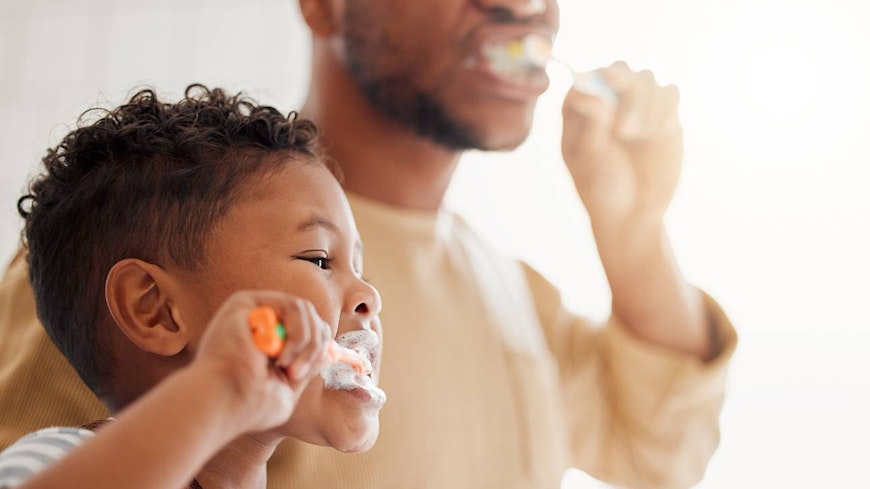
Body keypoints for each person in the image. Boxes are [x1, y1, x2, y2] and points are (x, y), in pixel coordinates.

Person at [0, 1, 739, 489]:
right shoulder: (146, 233)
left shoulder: (513, 291)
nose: (524, 7)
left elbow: (660, 454)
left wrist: (633, 229)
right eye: (319, 260)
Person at [0, 85, 385, 488]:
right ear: (156, 309)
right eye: (319, 259)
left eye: (359, 269)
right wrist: (217, 389)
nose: (369, 296)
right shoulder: (69, 460)